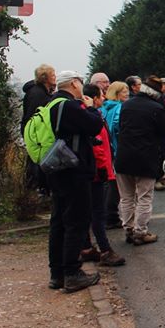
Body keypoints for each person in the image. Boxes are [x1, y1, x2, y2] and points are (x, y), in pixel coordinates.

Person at [45, 70, 104, 293]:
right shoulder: (69, 106)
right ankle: (72, 272)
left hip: (57, 167)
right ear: (72, 83)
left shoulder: (51, 104)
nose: (81, 85)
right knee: (76, 221)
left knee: (58, 221)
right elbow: (94, 125)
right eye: (79, 81)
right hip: (74, 169)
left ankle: (56, 273)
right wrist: (91, 108)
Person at [114, 80, 165, 246]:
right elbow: (164, 131)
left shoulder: (126, 105)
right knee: (144, 196)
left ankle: (128, 229)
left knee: (126, 197)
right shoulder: (156, 108)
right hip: (145, 157)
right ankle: (140, 231)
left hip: (124, 156)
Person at [78, 84, 125, 267]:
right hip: (98, 171)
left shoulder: (90, 114)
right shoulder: (91, 116)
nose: (103, 99)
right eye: (100, 96)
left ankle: (87, 248)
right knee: (98, 213)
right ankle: (105, 251)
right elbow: (97, 146)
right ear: (93, 98)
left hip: (96, 169)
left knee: (90, 212)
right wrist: (104, 169)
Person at [21, 63, 55, 193]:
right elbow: (34, 116)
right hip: (36, 134)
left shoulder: (40, 91)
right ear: (45, 77)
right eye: (53, 75)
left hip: (34, 133)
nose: (55, 77)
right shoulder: (37, 94)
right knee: (36, 162)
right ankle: (37, 189)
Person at [101, 81, 129, 229]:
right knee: (118, 185)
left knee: (110, 183)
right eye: (125, 91)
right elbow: (120, 127)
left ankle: (107, 214)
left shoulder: (104, 107)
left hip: (107, 148)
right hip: (118, 148)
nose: (128, 94)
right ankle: (112, 216)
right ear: (117, 93)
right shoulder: (120, 108)